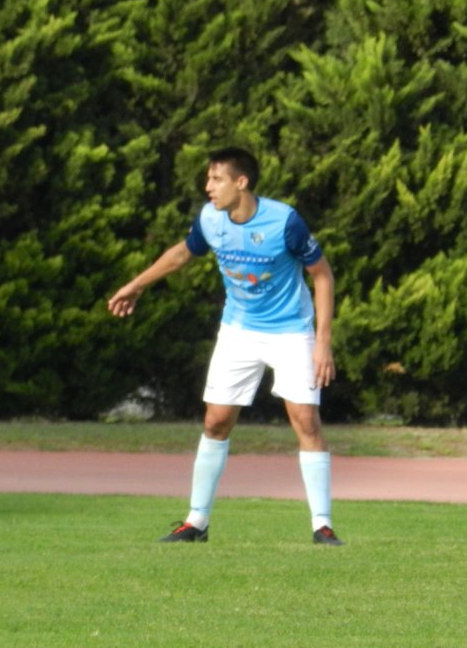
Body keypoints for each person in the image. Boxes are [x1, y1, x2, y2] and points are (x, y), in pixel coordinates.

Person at [108, 147, 343, 546]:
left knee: (305, 420)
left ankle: (322, 525)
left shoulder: (284, 221)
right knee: (216, 421)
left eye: (216, 179)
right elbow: (183, 253)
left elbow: (321, 275)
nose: (207, 187)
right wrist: (136, 286)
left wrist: (323, 343)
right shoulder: (210, 219)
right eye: (208, 179)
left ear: (241, 182)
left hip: (291, 330)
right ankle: (195, 522)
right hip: (238, 330)